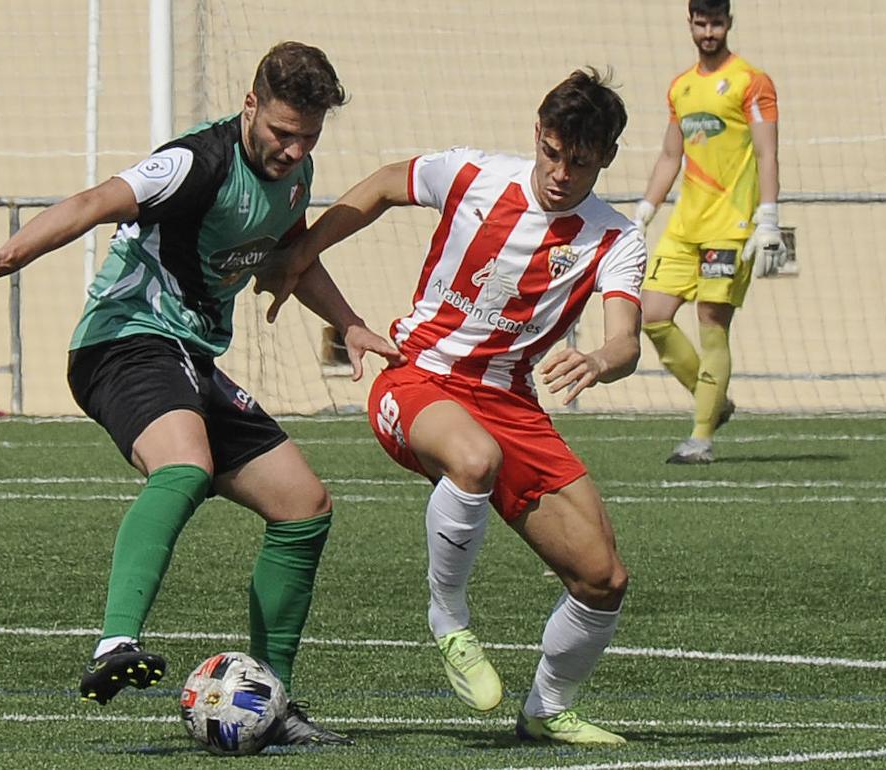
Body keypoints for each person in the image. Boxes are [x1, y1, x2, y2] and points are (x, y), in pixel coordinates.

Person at [0, 41, 402, 746]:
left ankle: (274, 704)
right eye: (282, 132)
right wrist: (8, 257)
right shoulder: (196, 162)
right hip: (123, 341)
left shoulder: (297, 172)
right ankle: (113, 644)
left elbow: (290, 258)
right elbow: (97, 201)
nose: (293, 148)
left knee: (304, 508)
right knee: (182, 467)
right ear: (250, 106)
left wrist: (351, 324)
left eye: (307, 136)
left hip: (192, 358)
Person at [269, 67, 646, 746]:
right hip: (418, 377)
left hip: (512, 403)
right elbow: (387, 182)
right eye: (554, 153)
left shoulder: (615, 238)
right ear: (539, 134)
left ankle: (545, 709)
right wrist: (304, 250)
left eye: (581, 162)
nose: (561, 173)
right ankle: (449, 619)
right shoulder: (473, 174)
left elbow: (626, 341)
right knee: (474, 459)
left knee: (602, 577)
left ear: (606, 159)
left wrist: (598, 360)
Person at [633, 0, 783, 464]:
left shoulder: (751, 81)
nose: (709, 31)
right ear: (691, 25)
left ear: (728, 24)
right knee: (652, 314)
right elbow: (669, 156)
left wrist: (769, 217)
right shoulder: (680, 86)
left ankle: (701, 437)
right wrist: (644, 211)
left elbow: (766, 153)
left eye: (716, 23)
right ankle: (716, 403)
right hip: (685, 226)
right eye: (701, 23)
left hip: (729, 227)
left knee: (711, 325)